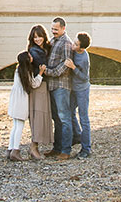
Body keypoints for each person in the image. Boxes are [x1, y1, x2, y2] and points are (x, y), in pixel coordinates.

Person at [44, 17, 76, 160]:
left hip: (61, 86)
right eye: (52, 29)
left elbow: (65, 67)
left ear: (63, 28)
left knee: (64, 118)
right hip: (52, 85)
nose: (53, 31)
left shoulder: (66, 43)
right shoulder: (53, 41)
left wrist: (47, 72)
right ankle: (57, 148)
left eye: (56, 29)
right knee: (56, 118)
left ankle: (66, 150)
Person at [7, 48, 42, 161]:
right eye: (30, 56)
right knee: (19, 126)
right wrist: (40, 73)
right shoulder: (27, 72)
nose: (32, 57)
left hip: (14, 99)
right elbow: (34, 84)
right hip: (21, 100)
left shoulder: (18, 70)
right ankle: (15, 150)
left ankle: (10, 149)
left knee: (15, 125)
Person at [25, 24, 53, 160]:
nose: (37, 39)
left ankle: (36, 146)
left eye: (39, 36)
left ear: (44, 36)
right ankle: (33, 147)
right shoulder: (35, 51)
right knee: (38, 115)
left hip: (43, 84)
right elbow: (45, 66)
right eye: (35, 37)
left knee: (41, 115)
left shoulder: (44, 49)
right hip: (38, 86)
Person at [65, 31, 93, 159]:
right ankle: (76, 135)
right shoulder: (73, 50)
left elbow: (84, 77)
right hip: (73, 88)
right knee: (70, 112)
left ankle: (86, 149)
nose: (73, 45)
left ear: (81, 48)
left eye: (76, 44)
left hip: (82, 90)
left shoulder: (84, 58)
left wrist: (73, 67)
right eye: (74, 42)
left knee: (84, 118)